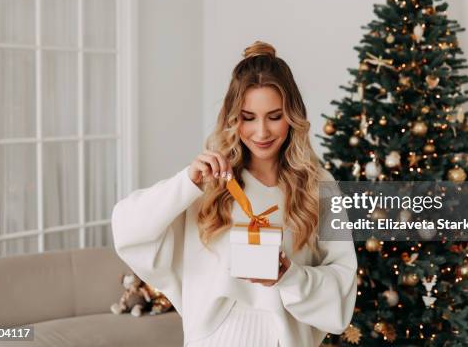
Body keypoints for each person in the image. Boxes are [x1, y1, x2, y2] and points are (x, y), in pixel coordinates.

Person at [111, 41, 358, 347]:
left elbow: (343, 283)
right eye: (248, 117)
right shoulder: (209, 181)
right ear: (232, 117)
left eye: (275, 116)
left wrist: (289, 276)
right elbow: (126, 228)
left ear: (292, 116)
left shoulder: (318, 185)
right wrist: (186, 182)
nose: (262, 132)